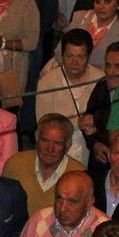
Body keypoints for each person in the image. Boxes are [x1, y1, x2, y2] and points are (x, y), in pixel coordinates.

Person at [33, 33, 102, 169]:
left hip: (92, 147)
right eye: (69, 56)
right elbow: (43, 122)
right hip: (58, 149)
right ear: (62, 56)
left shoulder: (100, 79)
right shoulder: (47, 82)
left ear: (88, 57)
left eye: (80, 57)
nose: (74, 62)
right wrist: (77, 123)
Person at [68, 0, 119, 69]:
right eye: (97, 2)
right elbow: (60, 51)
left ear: (117, 4)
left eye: (107, 2)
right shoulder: (79, 18)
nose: (101, 7)